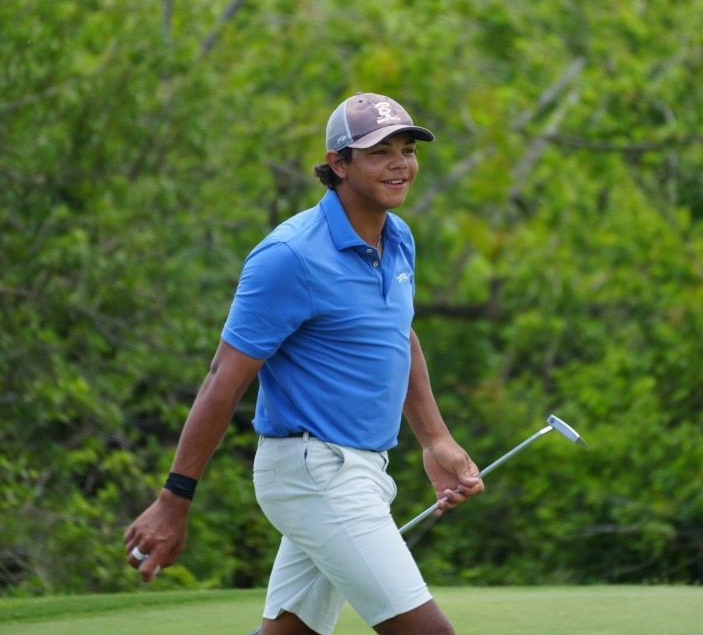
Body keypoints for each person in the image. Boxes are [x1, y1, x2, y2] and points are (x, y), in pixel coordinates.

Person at [124, 92, 484, 635]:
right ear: (338, 164)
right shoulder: (289, 255)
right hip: (316, 472)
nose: (400, 165)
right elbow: (224, 378)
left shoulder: (399, 238)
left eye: (407, 150)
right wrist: (174, 497)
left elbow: (395, 333)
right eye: (379, 151)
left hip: (360, 469)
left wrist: (435, 439)